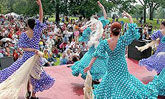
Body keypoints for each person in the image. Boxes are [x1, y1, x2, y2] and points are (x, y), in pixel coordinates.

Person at [84, 11, 165, 99]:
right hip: (121, 65)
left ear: (110, 31)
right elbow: (133, 32)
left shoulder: (104, 43)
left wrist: (89, 66)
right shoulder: (123, 40)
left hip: (111, 65)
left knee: (111, 81)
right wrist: (129, 17)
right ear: (120, 31)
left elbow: (96, 55)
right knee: (124, 80)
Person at [0, 0, 54, 99]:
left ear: (27, 25)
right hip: (36, 57)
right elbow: (41, 17)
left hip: (26, 57)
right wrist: (40, 5)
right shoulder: (37, 32)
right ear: (35, 24)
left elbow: (23, 47)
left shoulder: (24, 34)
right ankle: (33, 94)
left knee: (22, 73)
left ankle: (28, 91)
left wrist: (31, 50)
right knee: (35, 76)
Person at [71, 1, 109, 84]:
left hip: (100, 50)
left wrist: (102, 7)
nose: (94, 23)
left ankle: (95, 79)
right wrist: (79, 30)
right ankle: (91, 79)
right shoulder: (88, 30)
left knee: (100, 65)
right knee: (90, 64)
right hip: (92, 50)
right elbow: (83, 38)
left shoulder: (100, 26)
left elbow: (105, 17)